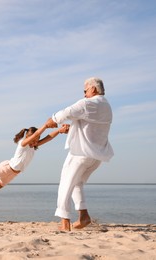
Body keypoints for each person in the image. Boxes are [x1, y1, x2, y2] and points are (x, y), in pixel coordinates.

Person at [46, 77, 114, 231]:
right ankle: (83, 216)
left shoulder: (89, 103)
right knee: (77, 183)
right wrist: (72, 129)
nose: (84, 94)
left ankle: (65, 223)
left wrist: (53, 120)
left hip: (80, 154)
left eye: (85, 91)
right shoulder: (107, 106)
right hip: (96, 156)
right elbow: (92, 127)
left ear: (93, 89)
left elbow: (67, 112)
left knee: (66, 183)